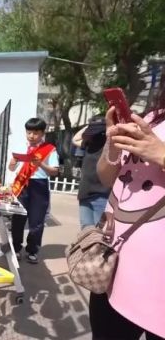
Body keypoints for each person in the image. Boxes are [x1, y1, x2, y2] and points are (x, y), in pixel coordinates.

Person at [89, 87, 165, 339]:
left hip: (157, 284)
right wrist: (112, 144)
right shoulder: (152, 118)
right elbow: (106, 176)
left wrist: (161, 155)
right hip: (111, 265)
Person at [8, 118, 59, 264]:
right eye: (29, 132)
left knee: (37, 221)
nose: (31, 136)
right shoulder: (20, 146)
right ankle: (16, 248)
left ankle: (32, 250)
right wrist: (12, 164)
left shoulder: (50, 149)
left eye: (36, 133)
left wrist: (41, 164)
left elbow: (54, 172)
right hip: (22, 185)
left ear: (42, 133)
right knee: (17, 218)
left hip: (39, 185)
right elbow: (11, 168)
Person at [72, 114, 110, 229]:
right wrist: (90, 125)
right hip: (85, 194)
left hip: (102, 195)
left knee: (100, 232)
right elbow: (75, 139)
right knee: (86, 231)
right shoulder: (89, 144)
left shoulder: (111, 146)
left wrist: (107, 125)